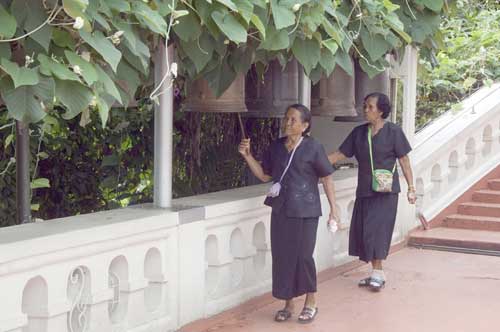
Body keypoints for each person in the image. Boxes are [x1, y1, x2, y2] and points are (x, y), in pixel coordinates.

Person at [238, 104, 339, 323]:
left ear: (304, 125)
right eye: (286, 119)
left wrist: (334, 208)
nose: (287, 123)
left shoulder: (313, 147)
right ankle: (288, 303)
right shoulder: (276, 147)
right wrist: (247, 156)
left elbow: (327, 177)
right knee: (283, 257)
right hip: (281, 209)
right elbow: (265, 176)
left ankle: (311, 301)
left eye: (293, 120)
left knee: (303, 257)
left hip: (307, 210)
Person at [328, 92, 416, 292]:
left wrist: (411, 188)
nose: (365, 110)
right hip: (365, 190)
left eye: (370, 107)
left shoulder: (394, 132)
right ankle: (377, 272)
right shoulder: (359, 133)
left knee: (378, 231)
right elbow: (340, 154)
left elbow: (404, 161)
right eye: (365, 106)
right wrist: (315, 163)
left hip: (386, 192)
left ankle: (377, 273)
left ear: (381, 111)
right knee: (366, 231)